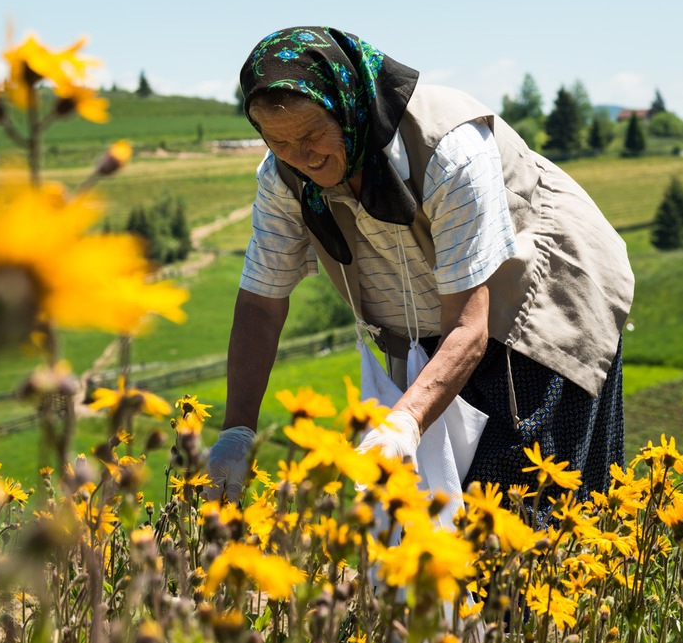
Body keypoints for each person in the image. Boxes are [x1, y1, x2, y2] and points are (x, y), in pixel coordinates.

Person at [205, 26, 634, 515]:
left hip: (537, 303)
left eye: (311, 135)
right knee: (429, 518)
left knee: (519, 510)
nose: (301, 158)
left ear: (347, 105)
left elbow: (469, 326)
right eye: (278, 142)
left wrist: (405, 421)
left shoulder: (449, 149)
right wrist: (237, 430)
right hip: (433, 324)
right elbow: (261, 305)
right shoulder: (282, 179)